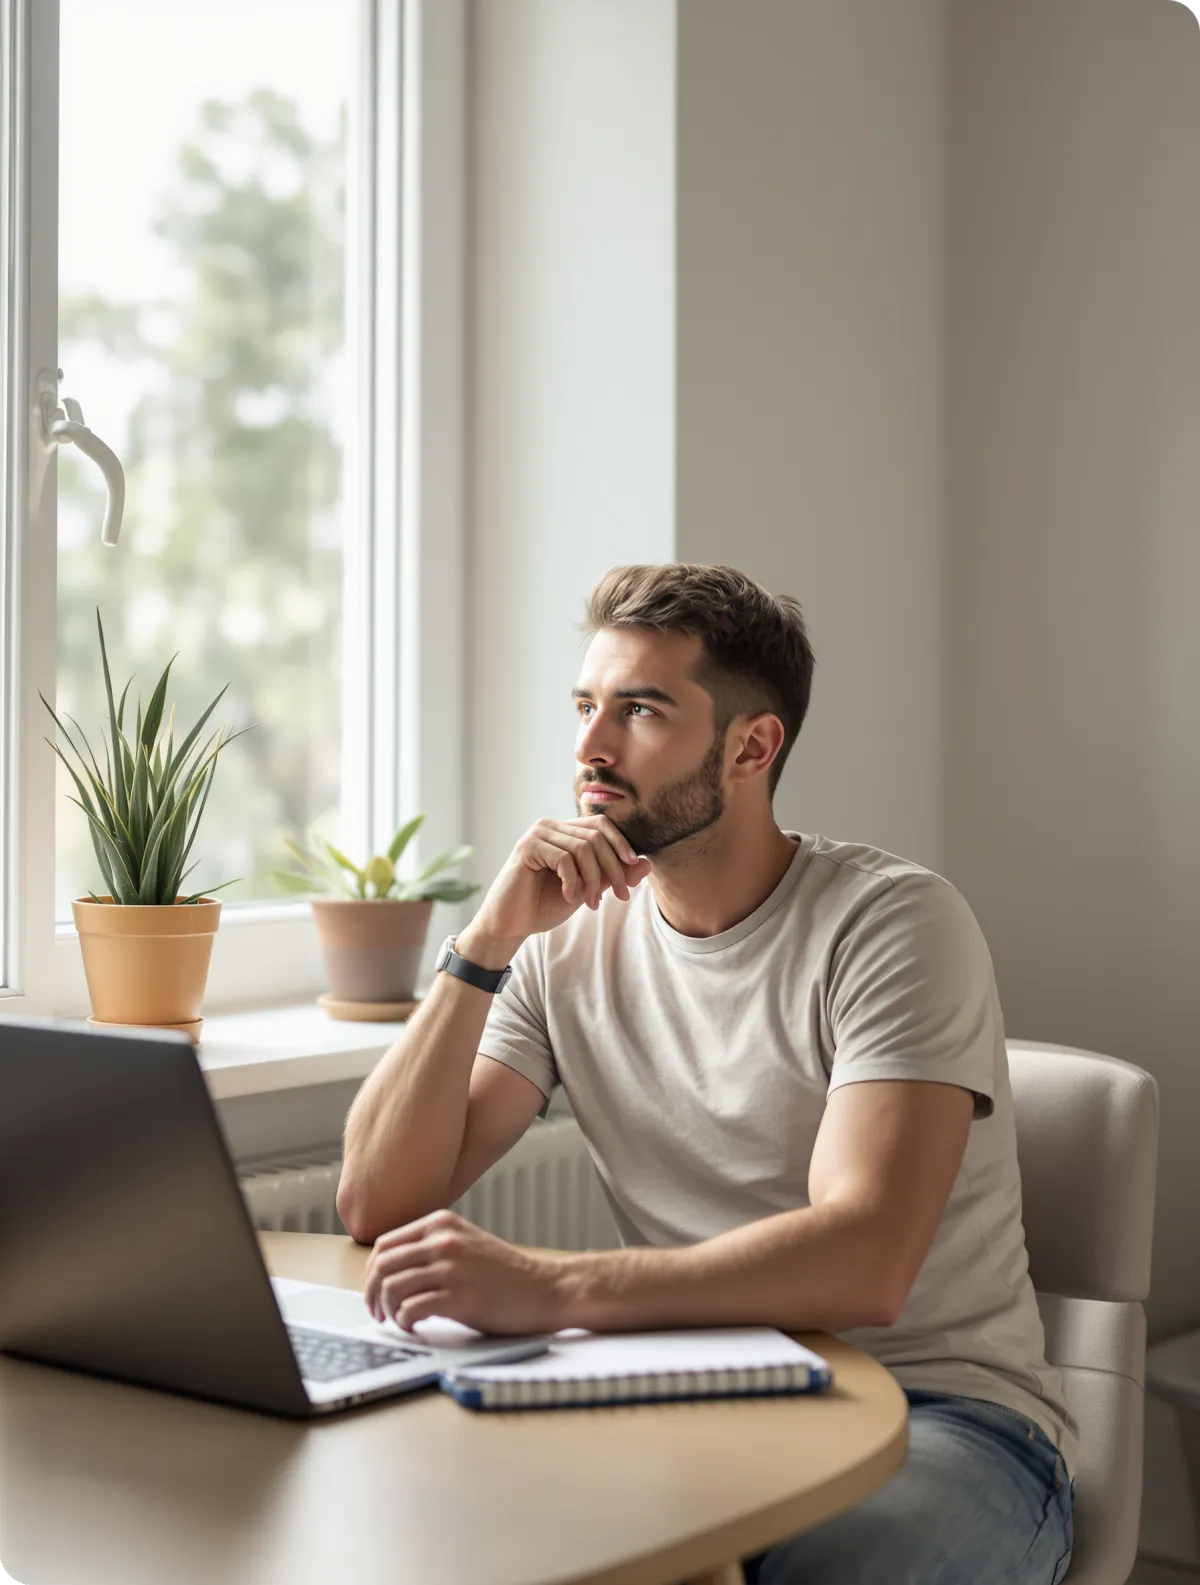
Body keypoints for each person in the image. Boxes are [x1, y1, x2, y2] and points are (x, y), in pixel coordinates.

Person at [338, 562, 1077, 1585]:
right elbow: (378, 1198)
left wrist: (549, 1287)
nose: (591, 748)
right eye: (588, 706)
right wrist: (487, 936)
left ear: (752, 745)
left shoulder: (893, 924)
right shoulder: (560, 942)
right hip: (690, 1391)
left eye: (640, 710)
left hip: (943, 1414)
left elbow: (865, 1261)